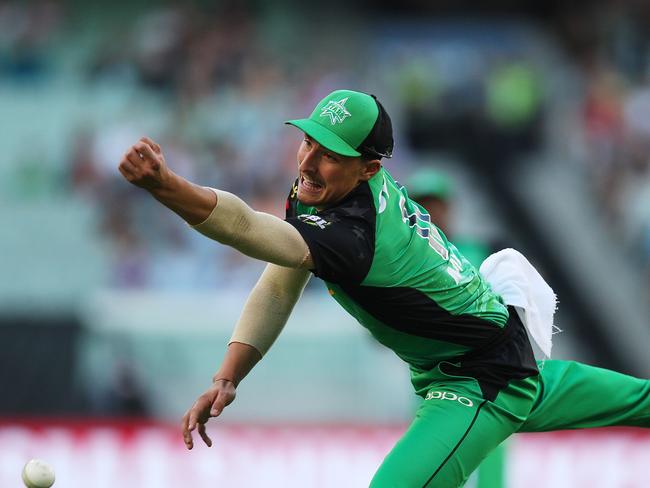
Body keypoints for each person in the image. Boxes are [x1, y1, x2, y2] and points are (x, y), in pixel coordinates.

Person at [118, 89, 650, 487]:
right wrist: (228, 376)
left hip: (478, 385)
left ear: (369, 166)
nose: (307, 161)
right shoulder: (326, 190)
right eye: (307, 141)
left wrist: (167, 186)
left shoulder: (358, 234)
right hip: (488, 359)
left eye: (328, 152)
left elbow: (244, 229)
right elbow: (282, 284)